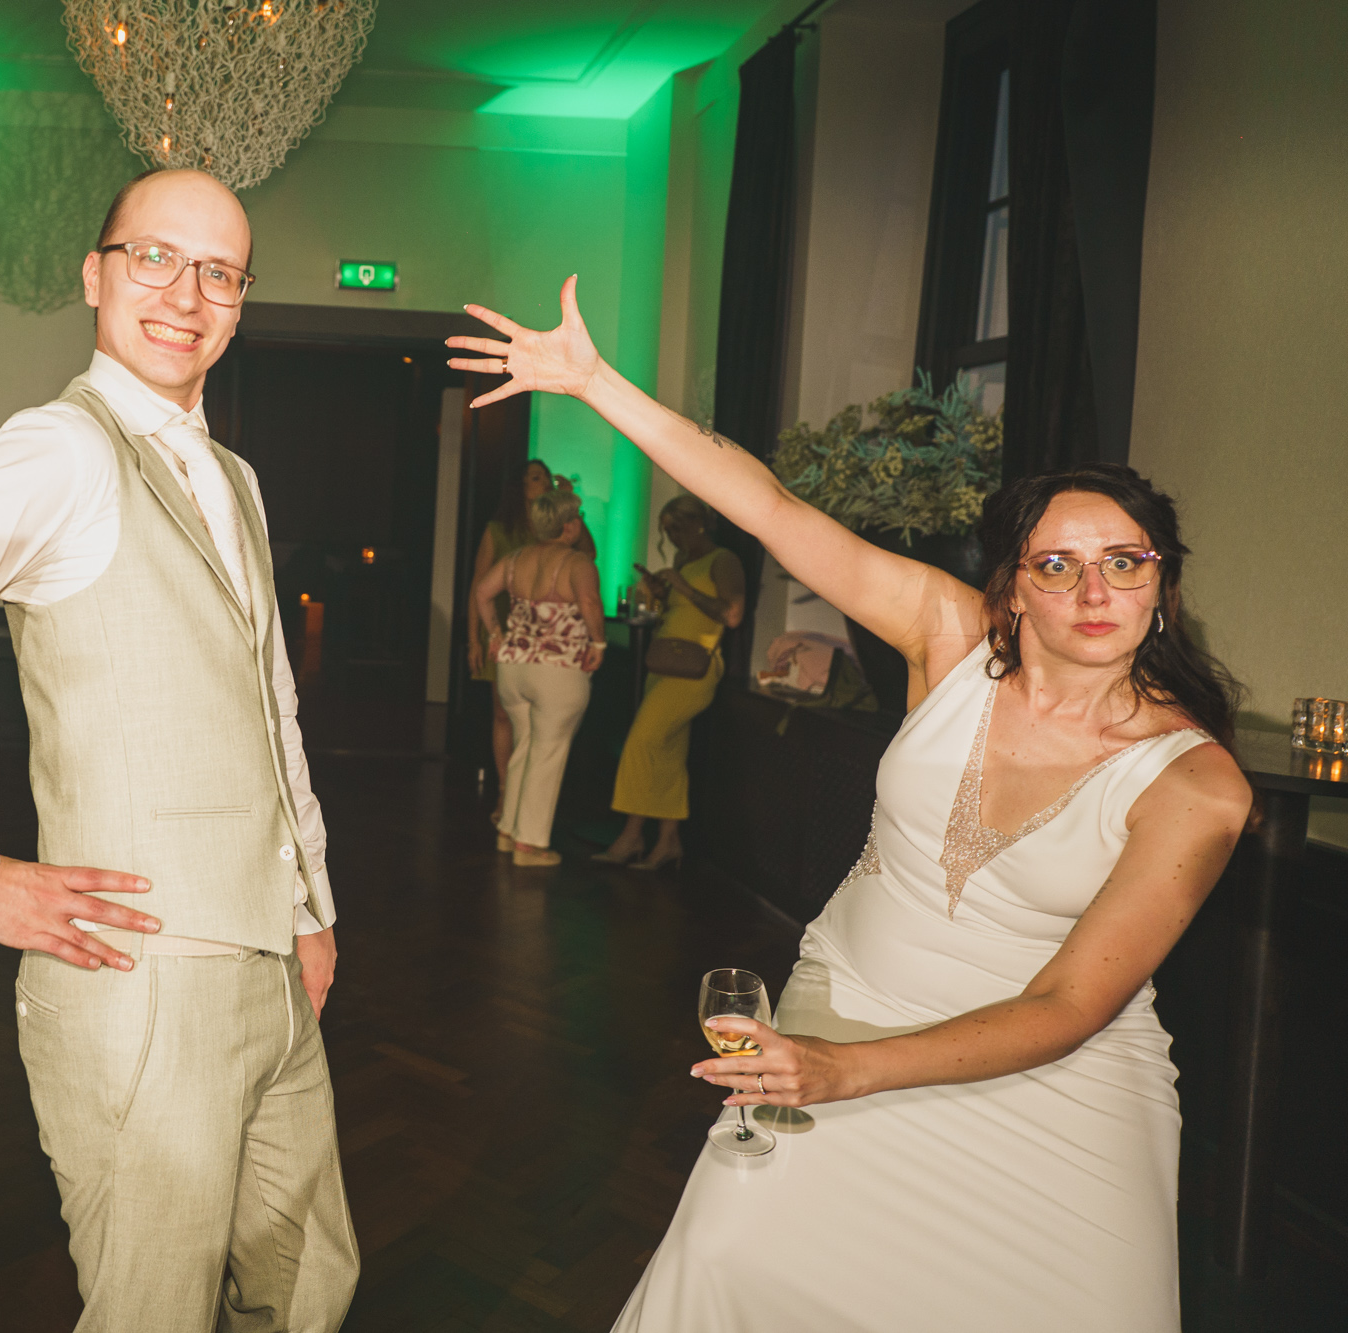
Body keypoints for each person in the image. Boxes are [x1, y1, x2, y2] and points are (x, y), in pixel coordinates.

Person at [448, 278, 1249, 1331]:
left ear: (1161, 584)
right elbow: (773, 511)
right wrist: (598, 386)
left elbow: (1067, 1007)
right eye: (1057, 565)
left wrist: (845, 1071)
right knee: (724, 1263)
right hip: (850, 1003)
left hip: (1058, 1090)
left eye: (1123, 564)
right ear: (1012, 585)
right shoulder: (948, 636)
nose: (1093, 593)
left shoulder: (1194, 782)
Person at [0, 168, 358, 1331]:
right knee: (153, 1313)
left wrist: (309, 907)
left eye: (219, 272)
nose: (185, 294)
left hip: (275, 967)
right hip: (143, 977)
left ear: (241, 301)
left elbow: (268, 711)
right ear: (95, 275)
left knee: (306, 1288)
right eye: (154, 257)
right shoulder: (61, 452)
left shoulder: (234, 478)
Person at [595, 494, 743, 871]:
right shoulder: (682, 560)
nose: (673, 538)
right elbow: (678, 612)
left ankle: (631, 835)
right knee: (667, 753)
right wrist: (662, 594)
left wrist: (685, 587)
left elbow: (731, 615)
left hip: (696, 666)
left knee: (641, 742)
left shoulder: (723, 560)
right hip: (665, 660)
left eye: (677, 528)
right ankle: (668, 842)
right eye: (667, 531)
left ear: (699, 523)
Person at [473, 485, 605, 867]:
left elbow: (482, 592)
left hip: (513, 668)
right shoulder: (577, 563)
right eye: (577, 517)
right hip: (557, 669)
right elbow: (589, 602)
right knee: (547, 753)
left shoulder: (515, 559)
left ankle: (508, 831)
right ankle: (529, 845)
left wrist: (495, 634)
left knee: (525, 747)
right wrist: (598, 643)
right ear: (568, 525)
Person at [467, 457, 552, 820]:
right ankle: (505, 791)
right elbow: (478, 584)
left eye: (545, 478)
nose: (543, 483)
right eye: (535, 478)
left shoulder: (552, 531)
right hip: (500, 628)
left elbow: (588, 553)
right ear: (520, 485)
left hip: (541, 633)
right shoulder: (499, 530)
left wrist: (569, 503)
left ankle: (527, 793)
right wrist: (474, 639)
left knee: (535, 716)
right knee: (503, 712)